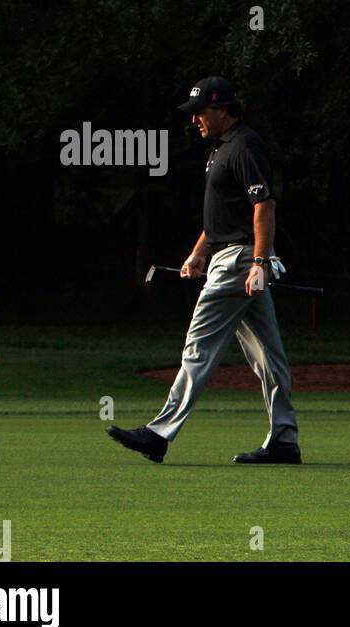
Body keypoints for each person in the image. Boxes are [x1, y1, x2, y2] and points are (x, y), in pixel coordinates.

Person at [107, 76, 301, 465]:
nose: (195, 119)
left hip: (239, 263)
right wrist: (198, 253)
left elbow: (264, 207)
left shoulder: (244, 146)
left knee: (199, 346)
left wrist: (260, 262)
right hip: (230, 257)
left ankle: (159, 433)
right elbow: (221, 217)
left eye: (201, 112)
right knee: (268, 356)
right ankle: (284, 439)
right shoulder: (220, 150)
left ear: (223, 110)